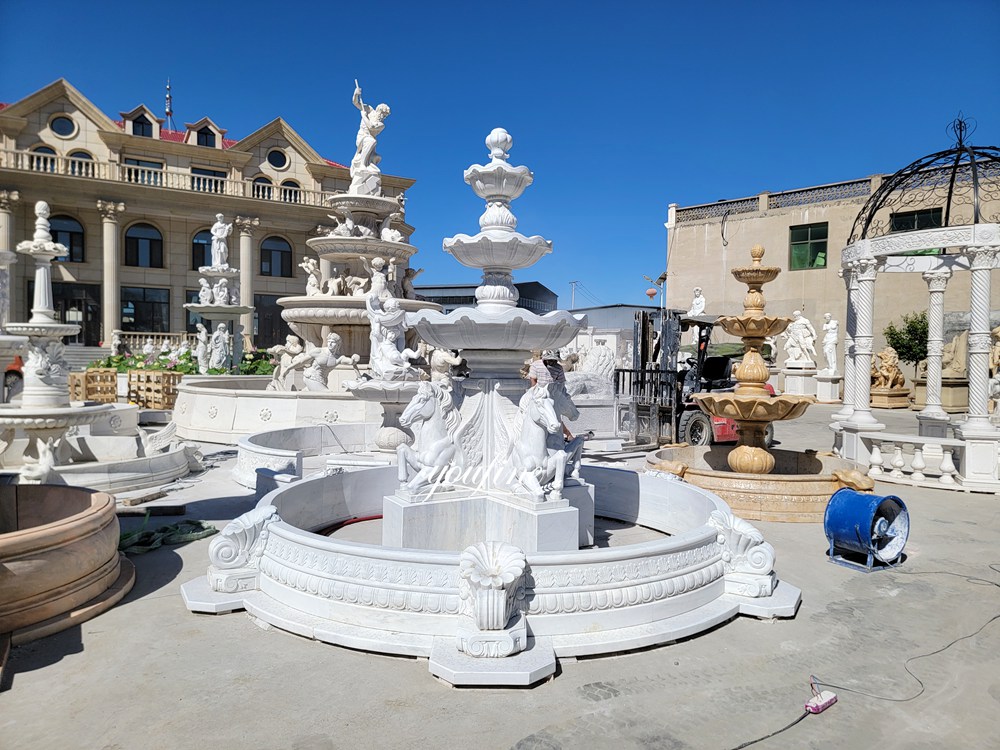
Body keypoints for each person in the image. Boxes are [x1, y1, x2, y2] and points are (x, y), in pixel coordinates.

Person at [527, 350, 573, 440]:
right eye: (550, 360)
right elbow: (533, 380)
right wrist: (536, 393)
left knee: (555, 416)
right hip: (538, 393)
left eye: (554, 360)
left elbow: (561, 383)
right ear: (545, 359)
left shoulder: (558, 368)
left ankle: (567, 434)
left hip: (552, 394)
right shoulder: (536, 365)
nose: (553, 362)